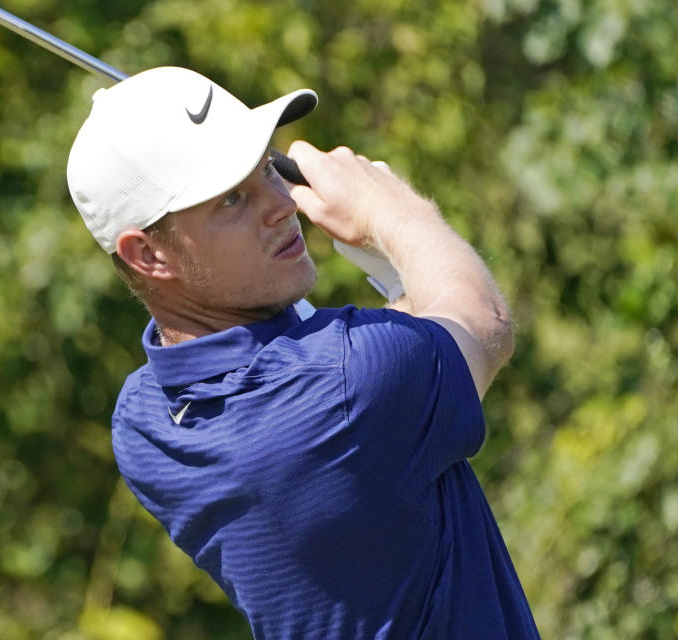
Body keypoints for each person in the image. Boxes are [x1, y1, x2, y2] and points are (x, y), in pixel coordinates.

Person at [67, 66, 540, 640]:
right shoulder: (346, 382)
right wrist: (391, 211)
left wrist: (402, 292)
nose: (283, 204)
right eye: (233, 199)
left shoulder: (141, 422)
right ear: (147, 255)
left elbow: (381, 370)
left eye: (268, 166)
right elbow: (482, 321)